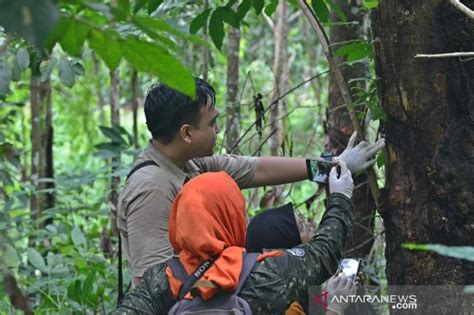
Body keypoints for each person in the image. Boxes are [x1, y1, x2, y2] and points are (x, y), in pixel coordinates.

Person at [116, 78, 385, 285]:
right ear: (186, 133)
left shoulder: (189, 162)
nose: (218, 130)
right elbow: (149, 287)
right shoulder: (151, 188)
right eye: (212, 123)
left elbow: (256, 169)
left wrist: (333, 167)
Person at [116, 161, 356, 314]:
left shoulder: (161, 280)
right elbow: (325, 251)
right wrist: (340, 198)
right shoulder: (270, 272)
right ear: (233, 217)